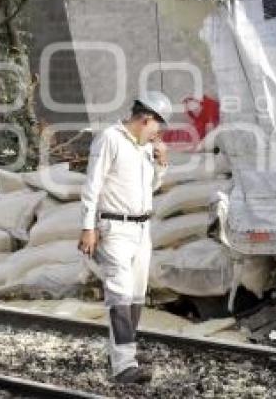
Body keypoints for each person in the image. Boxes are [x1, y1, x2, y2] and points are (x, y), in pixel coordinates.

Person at [78, 91, 172, 384]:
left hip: (142, 229)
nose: (160, 132)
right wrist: (88, 227)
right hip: (114, 229)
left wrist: (161, 164)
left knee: (135, 296)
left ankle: (123, 349)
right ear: (147, 119)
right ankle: (123, 366)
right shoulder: (110, 139)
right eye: (160, 125)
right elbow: (92, 186)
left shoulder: (144, 147)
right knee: (119, 296)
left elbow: (151, 188)